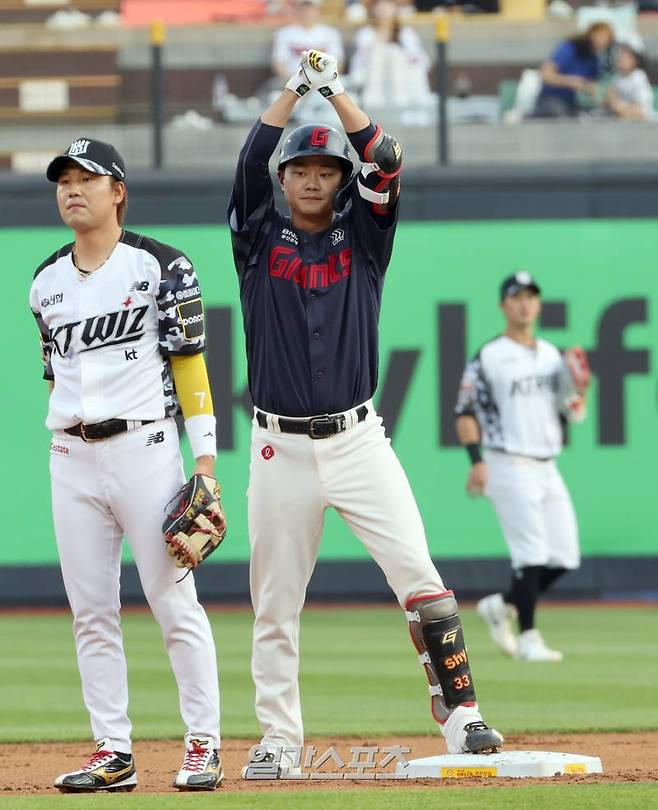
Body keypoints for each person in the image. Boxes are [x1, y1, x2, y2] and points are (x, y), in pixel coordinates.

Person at [227, 49, 503, 776]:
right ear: (284, 181)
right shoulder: (256, 240)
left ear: (339, 183)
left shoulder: (365, 237)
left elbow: (388, 160)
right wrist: (291, 92)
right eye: (301, 170)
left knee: (420, 574)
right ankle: (280, 740)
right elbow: (249, 160)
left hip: (358, 438)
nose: (314, 179)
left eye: (326, 171)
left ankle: (463, 715)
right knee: (275, 606)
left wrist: (338, 93)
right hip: (276, 447)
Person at [29, 138, 223, 792]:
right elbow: (53, 374)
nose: (72, 189)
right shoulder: (45, 281)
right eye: (64, 180)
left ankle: (203, 743)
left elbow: (189, 363)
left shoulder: (162, 267)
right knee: (90, 611)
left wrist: (205, 461)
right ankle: (113, 751)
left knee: (172, 600)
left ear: (119, 191)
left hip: (145, 449)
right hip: (71, 456)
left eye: (88, 178)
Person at [455, 272, 588, 663]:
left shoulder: (551, 354)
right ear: (503, 306)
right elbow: (464, 411)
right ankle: (529, 637)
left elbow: (567, 407)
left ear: (539, 304)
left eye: (531, 296)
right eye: (516, 297)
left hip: (547, 463)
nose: (524, 303)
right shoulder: (488, 356)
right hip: (507, 461)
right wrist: (476, 461)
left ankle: (502, 605)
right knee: (529, 554)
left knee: (565, 556)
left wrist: (576, 404)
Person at [349, 0, 433, 114]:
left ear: (395, 9)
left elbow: (421, 61)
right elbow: (359, 62)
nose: (384, 10)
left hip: (403, 89)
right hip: (373, 90)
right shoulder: (366, 34)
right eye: (380, 7)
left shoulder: (406, 33)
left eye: (388, 6)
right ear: (373, 10)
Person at [534, 21, 614, 117]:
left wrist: (602, 95)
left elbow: (592, 86)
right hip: (550, 99)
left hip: (570, 102)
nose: (603, 41)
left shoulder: (593, 59)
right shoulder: (569, 48)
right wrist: (572, 82)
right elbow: (545, 75)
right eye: (601, 36)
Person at [272, 0, 344, 80]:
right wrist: (292, 83)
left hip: (324, 82)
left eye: (311, 9)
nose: (307, 12)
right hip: (294, 81)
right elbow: (280, 64)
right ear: (297, 10)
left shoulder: (330, 33)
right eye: (304, 9)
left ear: (318, 10)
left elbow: (338, 63)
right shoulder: (284, 33)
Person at [605, 37, 654, 121]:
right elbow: (609, 99)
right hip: (621, 118)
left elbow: (640, 108)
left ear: (635, 60)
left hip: (642, 119)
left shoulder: (639, 77)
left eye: (626, 56)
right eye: (620, 55)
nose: (621, 59)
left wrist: (620, 107)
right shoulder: (617, 77)